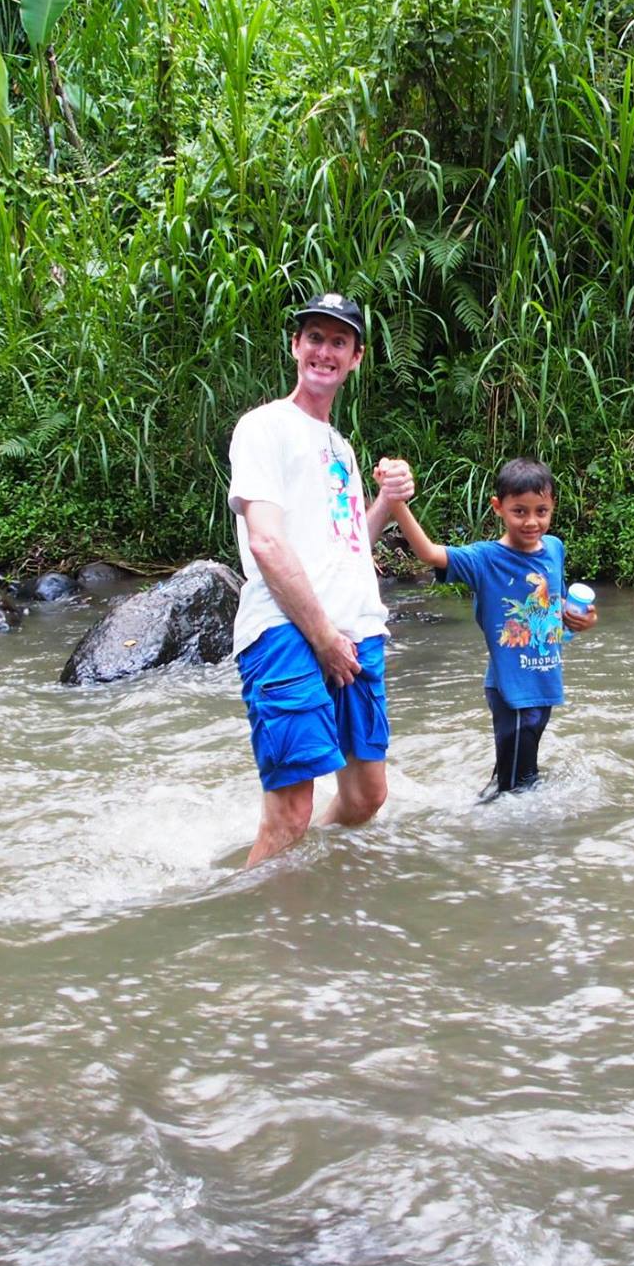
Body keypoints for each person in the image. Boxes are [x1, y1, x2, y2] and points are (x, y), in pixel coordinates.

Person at [227, 291, 414, 866]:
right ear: (295, 346)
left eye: (338, 342)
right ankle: (270, 938)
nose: (324, 351)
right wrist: (323, 638)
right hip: (288, 629)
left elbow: (350, 538)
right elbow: (265, 540)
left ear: (356, 357)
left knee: (366, 795)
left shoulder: (341, 447)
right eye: (314, 338)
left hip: (356, 629)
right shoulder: (264, 427)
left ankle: (311, 878)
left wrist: (386, 500)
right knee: (290, 814)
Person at [387, 457, 598, 800]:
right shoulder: (484, 559)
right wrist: (395, 503)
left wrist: (586, 620)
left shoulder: (555, 548)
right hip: (510, 689)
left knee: (514, 776)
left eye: (541, 511)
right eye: (520, 511)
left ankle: (488, 826)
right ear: (498, 507)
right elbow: (428, 553)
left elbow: (556, 608)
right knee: (520, 787)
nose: (532, 522)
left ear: (553, 506)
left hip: (544, 680)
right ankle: (502, 843)